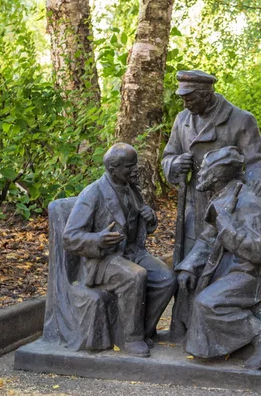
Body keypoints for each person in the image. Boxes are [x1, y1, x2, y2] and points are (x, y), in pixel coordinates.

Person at [162, 70, 261, 337]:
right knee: (189, 263)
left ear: (206, 94)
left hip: (229, 204)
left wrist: (256, 186)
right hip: (194, 203)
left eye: (189, 99)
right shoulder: (183, 120)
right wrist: (175, 164)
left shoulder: (240, 119)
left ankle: (217, 330)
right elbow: (168, 156)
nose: (185, 104)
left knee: (222, 264)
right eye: (183, 99)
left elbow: (257, 160)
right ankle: (184, 327)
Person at [174, 146, 261, 370]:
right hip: (234, 265)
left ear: (218, 175)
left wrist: (226, 225)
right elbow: (209, 239)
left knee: (207, 303)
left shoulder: (248, 202)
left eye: (205, 170)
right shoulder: (225, 197)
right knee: (195, 290)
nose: (199, 175)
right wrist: (189, 266)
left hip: (258, 272)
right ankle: (218, 346)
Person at [62, 143, 177, 357]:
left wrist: (150, 219)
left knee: (166, 278)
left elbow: (138, 221)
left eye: (135, 164)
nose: (135, 170)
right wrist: (97, 239)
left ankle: (144, 330)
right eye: (129, 166)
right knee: (134, 276)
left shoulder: (132, 188)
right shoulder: (92, 194)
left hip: (132, 252)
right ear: (113, 170)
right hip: (103, 259)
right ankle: (130, 338)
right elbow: (70, 237)